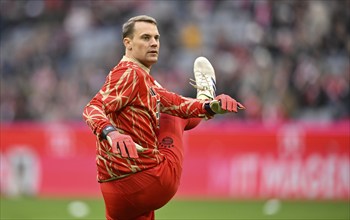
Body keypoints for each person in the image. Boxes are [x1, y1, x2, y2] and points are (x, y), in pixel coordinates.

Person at [82, 15, 245, 220]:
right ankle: (205, 94)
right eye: (145, 38)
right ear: (128, 43)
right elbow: (92, 108)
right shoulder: (130, 74)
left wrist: (210, 108)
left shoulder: (142, 79)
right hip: (148, 180)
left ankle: (206, 99)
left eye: (156, 38)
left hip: (114, 193)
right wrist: (111, 133)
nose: (153, 43)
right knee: (170, 116)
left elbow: (176, 102)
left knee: (172, 106)